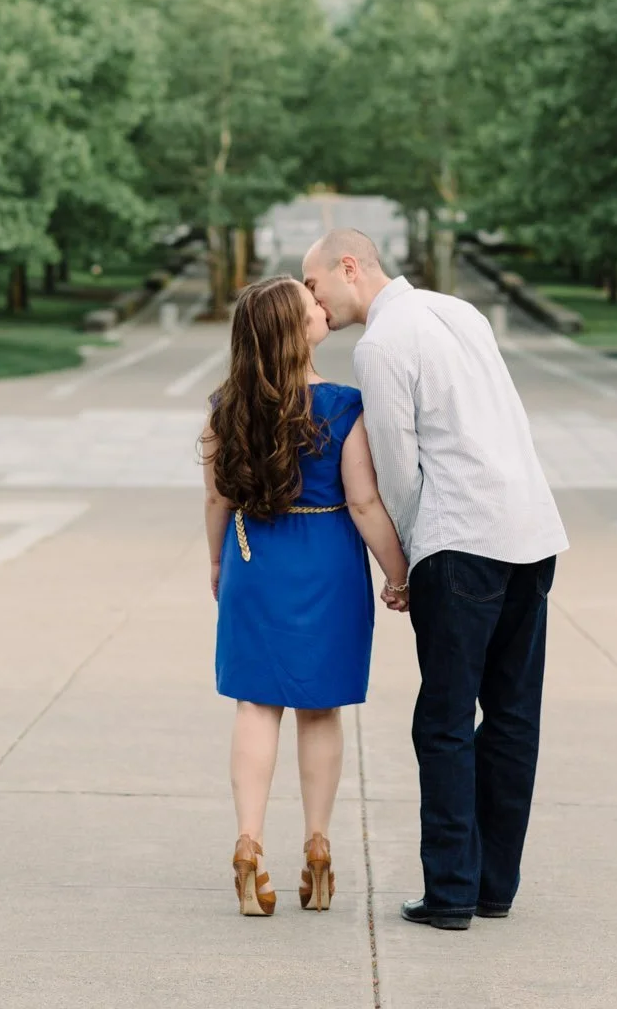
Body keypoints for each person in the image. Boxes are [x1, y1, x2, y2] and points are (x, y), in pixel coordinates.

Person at [303, 229, 569, 932]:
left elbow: (398, 466)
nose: (312, 299)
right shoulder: (462, 313)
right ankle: (493, 886)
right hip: (532, 530)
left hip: (463, 540)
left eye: (313, 283)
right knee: (513, 715)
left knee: (444, 720)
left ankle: (450, 891)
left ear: (349, 268)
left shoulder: (381, 344)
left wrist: (412, 563)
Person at [201, 274, 410, 917]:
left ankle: (247, 845)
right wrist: (398, 572)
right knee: (320, 712)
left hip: (252, 560)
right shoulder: (345, 405)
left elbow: (217, 497)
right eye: (310, 305)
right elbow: (365, 501)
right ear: (298, 332)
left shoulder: (226, 406)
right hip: (327, 563)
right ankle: (318, 850)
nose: (322, 308)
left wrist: (216, 564)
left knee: (256, 706)